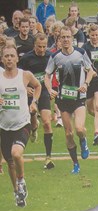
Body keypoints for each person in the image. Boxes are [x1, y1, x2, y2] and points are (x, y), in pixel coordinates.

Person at [44, 26, 95, 174]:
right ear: (59, 39)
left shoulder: (80, 53)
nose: (66, 40)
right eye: (63, 37)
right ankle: (75, 164)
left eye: (68, 37)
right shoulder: (55, 56)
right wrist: (49, 89)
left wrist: (85, 84)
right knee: (68, 133)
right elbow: (47, 75)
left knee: (79, 129)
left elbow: (91, 71)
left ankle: (83, 141)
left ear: (72, 38)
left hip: (79, 98)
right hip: (63, 99)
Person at [0, 44, 41, 207]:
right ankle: (17, 191)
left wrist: (34, 102)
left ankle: (21, 181)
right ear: (2, 59)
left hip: (22, 123)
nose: (9, 59)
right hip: (4, 127)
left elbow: (38, 86)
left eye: (12, 56)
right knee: (10, 163)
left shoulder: (25, 75)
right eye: (6, 56)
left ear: (17, 58)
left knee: (16, 154)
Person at [19, 32, 55, 168]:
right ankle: (34, 128)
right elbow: (19, 76)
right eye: (39, 46)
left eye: (44, 46)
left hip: (44, 91)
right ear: (34, 45)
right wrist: (26, 88)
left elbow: (53, 75)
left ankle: (48, 158)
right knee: (32, 120)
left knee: (47, 122)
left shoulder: (50, 56)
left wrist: (51, 89)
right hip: (30, 92)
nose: (42, 49)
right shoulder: (26, 59)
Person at [83, 23, 98, 145]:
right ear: (89, 35)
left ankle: (97, 134)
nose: (95, 37)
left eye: (97, 35)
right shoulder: (85, 48)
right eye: (92, 35)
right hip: (89, 81)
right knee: (91, 110)